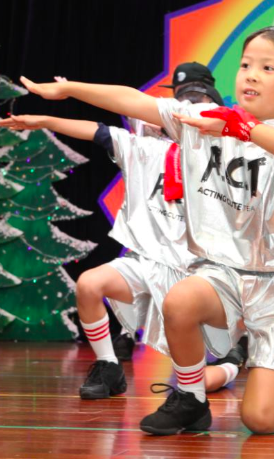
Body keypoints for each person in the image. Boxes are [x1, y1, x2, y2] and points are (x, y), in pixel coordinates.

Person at [19, 25, 274, 435]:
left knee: (262, 420)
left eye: (268, 68)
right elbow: (134, 101)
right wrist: (70, 90)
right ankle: (192, 399)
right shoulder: (204, 121)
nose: (251, 75)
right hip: (225, 273)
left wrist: (240, 128)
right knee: (179, 300)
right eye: (246, 65)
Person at [0, 68, 237, 397]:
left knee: (200, 377)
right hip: (147, 263)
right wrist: (43, 121)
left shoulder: (225, 158)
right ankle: (109, 367)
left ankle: (231, 363)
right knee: (89, 284)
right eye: (180, 108)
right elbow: (95, 130)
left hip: (200, 271)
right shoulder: (142, 148)